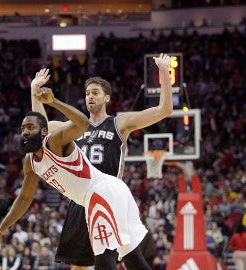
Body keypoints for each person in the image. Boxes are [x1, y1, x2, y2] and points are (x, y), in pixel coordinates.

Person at [0, 85, 153, 270]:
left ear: (44, 132)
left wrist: (54, 102)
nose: (25, 132)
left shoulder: (54, 142)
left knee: (103, 260)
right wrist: (0, 230)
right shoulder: (30, 163)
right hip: (110, 192)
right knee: (131, 257)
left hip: (101, 192)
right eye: (23, 128)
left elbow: (83, 124)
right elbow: (23, 198)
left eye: (30, 127)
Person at [30, 53, 173, 269]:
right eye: (87, 93)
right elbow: (42, 128)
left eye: (95, 93)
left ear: (107, 98)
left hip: (107, 195)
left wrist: (163, 70)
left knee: (111, 260)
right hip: (81, 198)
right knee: (77, 265)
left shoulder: (120, 122)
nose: (90, 97)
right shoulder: (74, 126)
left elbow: (164, 110)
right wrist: (34, 90)